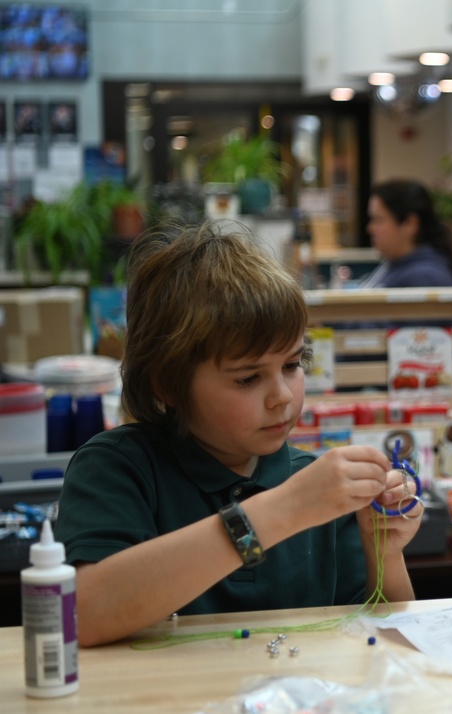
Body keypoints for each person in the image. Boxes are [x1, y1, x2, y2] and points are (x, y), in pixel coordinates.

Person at [54, 222, 423, 647]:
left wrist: (386, 553)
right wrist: (285, 509)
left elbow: (387, 645)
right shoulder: (117, 468)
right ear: (167, 385)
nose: (282, 396)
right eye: (248, 378)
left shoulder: (317, 485)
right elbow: (84, 615)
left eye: (292, 364)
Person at [358, 179, 452, 288]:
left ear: (410, 224)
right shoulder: (394, 264)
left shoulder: (425, 278)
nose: (370, 228)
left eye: (378, 220)